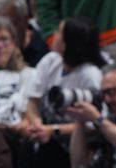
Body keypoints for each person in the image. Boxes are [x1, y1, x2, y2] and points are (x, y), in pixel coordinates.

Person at [22, 17, 104, 163]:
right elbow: (33, 101)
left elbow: (94, 125)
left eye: (58, 32)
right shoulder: (50, 60)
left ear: (67, 44)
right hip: (46, 136)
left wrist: (53, 130)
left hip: (75, 145)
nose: (54, 34)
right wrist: (37, 124)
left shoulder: (90, 75)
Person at [68, 62, 116, 167]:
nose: (107, 100)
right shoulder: (109, 122)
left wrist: (97, 119)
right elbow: (79, 163)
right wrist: (80, 120)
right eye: (103, 94)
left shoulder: (103, 123)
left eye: (111, 92)